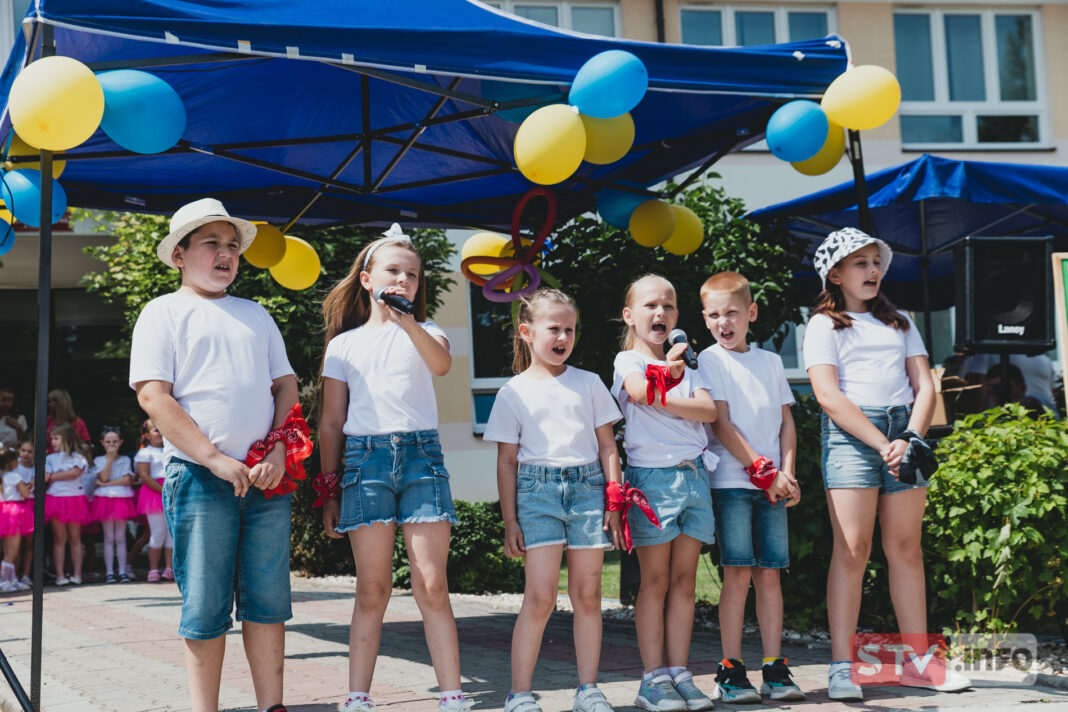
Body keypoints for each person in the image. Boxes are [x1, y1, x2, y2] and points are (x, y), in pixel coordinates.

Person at [130, 198, 299, 712]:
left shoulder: (255, 314)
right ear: (180, 255)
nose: (226, 254)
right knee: (205, 605)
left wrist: (277, 448)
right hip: (201, 479)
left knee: (268, 602)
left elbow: (286, 386)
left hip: (265, 478)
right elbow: (154, 396)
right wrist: (213, 457)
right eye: (211, 243)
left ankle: (272, 706)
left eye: (232, 246)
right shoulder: (162, 312)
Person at [803, 228, 970, 701]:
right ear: (835, 274)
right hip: (853, 438)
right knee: (852, 550)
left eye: (876, 262)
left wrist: (910, 438)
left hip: (903, 433)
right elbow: (827, 395)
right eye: (861, 263)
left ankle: (919, 663)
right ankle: (842, 668)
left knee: (906, 549)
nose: (873, 270)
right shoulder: (822, 325)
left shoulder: (900, 322)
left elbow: (926, 385)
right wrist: (883, 444)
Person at [318, 225, 473, 712]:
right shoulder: (344, 345)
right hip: (365, 463)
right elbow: (331, 422)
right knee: (372, 587)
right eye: (393, 271)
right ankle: (357, 695)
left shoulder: (428, 331)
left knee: (432, 583)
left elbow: (441, 366)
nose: (404, 280)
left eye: (412, 275)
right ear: (367, 279)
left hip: (422, 458)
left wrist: (408, 322)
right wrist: (329, 489)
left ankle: (452, 694)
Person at [484, 288, 624, 712]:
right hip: (536, 493)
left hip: (588, 491)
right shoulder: (512, 392)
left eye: (570, 330)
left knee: (588, 595)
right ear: (527, 332)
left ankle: (588, 690)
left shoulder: (589, 383)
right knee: (541, 597)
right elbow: (507, 461)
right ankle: (519, 694)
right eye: (554, 329)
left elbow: (608, 447)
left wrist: (614, 500)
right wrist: (510, 521)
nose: (563, 337)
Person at [611, 274, 719, 712]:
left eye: (669, 306)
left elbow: (708, 410)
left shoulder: (691, 361)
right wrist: (668, 378)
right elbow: (638, 393)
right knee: (654, 582)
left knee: (684, 583)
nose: (661, 313)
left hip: (694, 477)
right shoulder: (627, 360)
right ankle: (652, 679)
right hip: (652, 480)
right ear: (629, 315)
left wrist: (665, 388)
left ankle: (679, 673)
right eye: (651, 305)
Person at [696, 271, 803, 703]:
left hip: (774, 486)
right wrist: (763, 470)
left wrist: (787, 474)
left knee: (770, 575)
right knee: (737, 575)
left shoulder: (770, 362)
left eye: (732, 313)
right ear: (705, 318)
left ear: (751, 313)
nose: (723, 322)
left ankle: (774, 668)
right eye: (714, 315)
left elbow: (786, 422)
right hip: (732, 484)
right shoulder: (708, 361)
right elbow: (721, 423)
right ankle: (731, 669)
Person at [88, 426, 137, 583]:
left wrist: (106, 484)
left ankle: (122, 571)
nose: (111, 445)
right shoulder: (99, 460)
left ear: (120, 442)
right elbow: (103, 477)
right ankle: (109, 572)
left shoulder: (125, 460)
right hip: (105, 500)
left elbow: (126, 480)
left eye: (115, 442)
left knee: (121, 537)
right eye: (108, 442)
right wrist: (109, 459)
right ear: (102, 443)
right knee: (108, 537)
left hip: (122, 499)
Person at [44, 423, 88, 585]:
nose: (53, 442)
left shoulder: (78, 457)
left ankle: (77, 574)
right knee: (59, 538)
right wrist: (58, 475)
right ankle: (60, 575)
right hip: (56, 499)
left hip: (75, 498)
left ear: (67, 438)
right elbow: (45, 477)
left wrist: (54, 476)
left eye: (56, 438)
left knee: (75, 538)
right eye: (52, 439)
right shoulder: (49, 458)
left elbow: (75, 472)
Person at [134, 419, 172, 582]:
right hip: (154, 493)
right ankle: (154, 569)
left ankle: (169, 568)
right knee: (157, 532)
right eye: (156, 430)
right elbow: (144, 475)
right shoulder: (145, 453)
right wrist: (164, 491)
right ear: (147, 435)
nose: (160, 432)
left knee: (171, 533)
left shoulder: (171, 449)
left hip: (171, 489)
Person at [0, 446, 32, 592]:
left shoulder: (3, 476)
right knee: (13, 550)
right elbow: (26, 494)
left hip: (4, 511)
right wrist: (30, 486)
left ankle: (12, 579)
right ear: (10, 462)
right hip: (14, 511)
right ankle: (3, 581)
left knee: (8, 549)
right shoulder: (14, 476)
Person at [14, 440, 35, 587]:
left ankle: (26, 575)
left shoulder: (36, 469)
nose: (26, 454)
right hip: (18, 505)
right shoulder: (14, 467)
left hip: (32, 505)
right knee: (17, 544)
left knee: (29, 543)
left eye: (29, 451)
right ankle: (14, 574)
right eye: (23, 450)